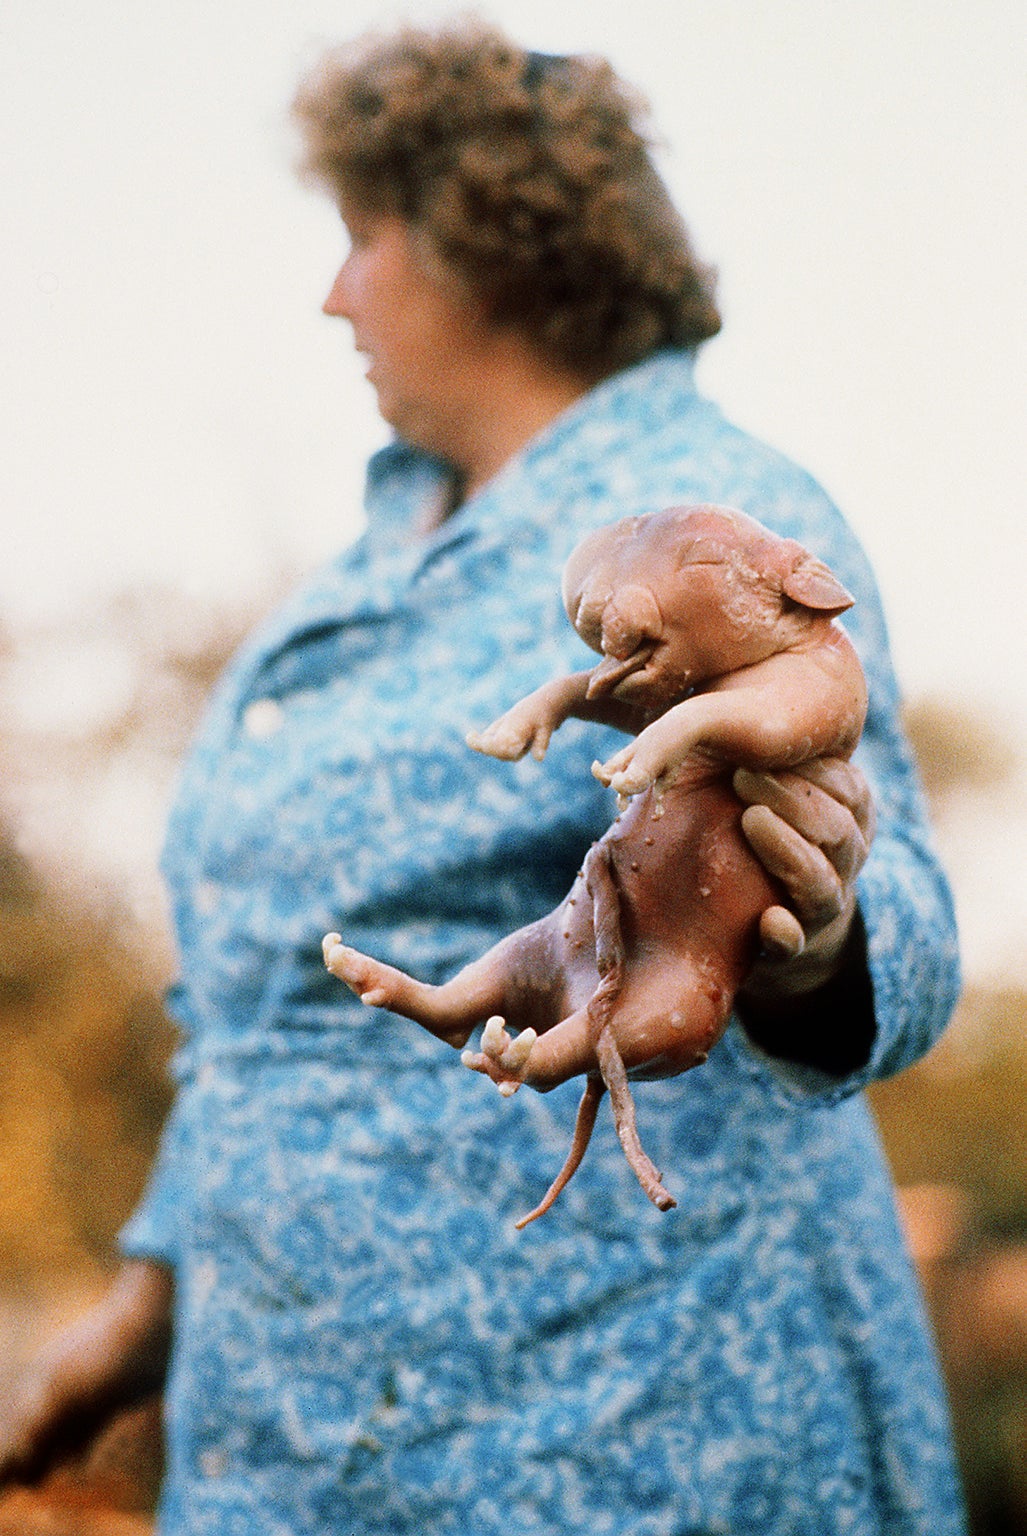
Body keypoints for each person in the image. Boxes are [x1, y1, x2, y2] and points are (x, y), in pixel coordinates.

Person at [0, 18, 965, 1535]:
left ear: (486, 240)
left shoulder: (711, 518)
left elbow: (894, 913)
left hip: (615, 1433)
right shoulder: (366, 568)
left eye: (365, 234)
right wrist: (149, 1303)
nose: (333, 292)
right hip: (298, 1442)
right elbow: (266, 1005)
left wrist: (822, 937)